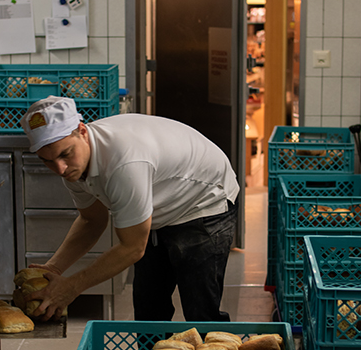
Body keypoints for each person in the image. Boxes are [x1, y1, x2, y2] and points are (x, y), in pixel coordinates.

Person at [20, 96, 240, 323]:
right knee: (149, 312)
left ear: (82, 131)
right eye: (47, 160)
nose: (60, 168)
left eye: (65, 154)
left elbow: (133, 247)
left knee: (200, 311)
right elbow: (91, 221)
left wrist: (72, 287)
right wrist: (54, 268)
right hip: (160, 205)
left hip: (202, 200)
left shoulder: (122, 163)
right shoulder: (73, 165)